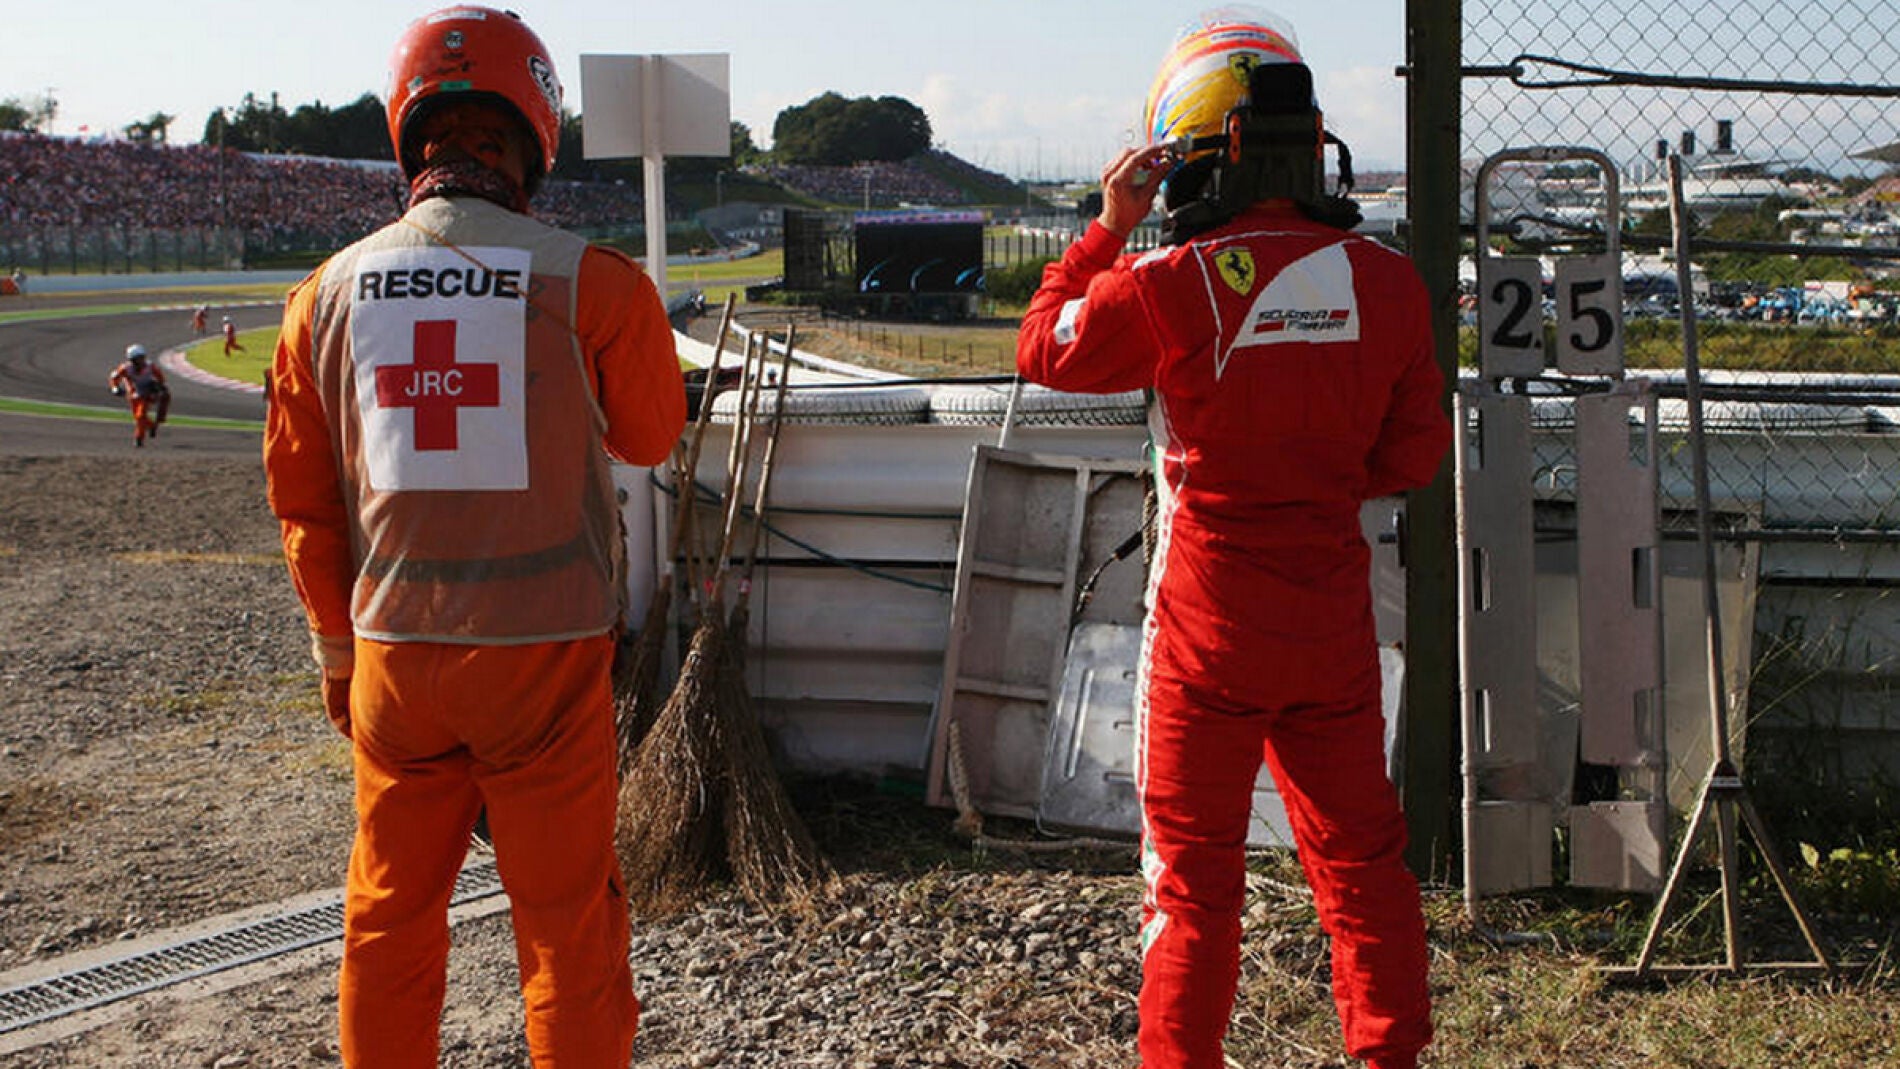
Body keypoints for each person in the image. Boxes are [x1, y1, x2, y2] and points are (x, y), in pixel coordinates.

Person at [1015, 8, 1450, 1069]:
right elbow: (1412, 458)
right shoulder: (1390, 285)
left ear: (1192, 152)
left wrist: (1105, 226)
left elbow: (1042, 347)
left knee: (1192, 889)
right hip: (1331, 633)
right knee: (1364, 872)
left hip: (1204, 638)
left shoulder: (1172, 286)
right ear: (1308, 144)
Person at [262, 7, 686, 1066]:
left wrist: (336, 657)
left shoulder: (320, 296)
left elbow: (303, 506)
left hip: (394, 661)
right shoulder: (596, 283)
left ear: (413, 134)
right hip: (544, 659)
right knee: (566, 929)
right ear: (534, 128)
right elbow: (650, 433)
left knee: (388, 921)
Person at [107, 343, 170, 447]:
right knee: (138, 417)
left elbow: (161, 378)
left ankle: (139, 438)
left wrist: (159, 386)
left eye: (142, 358)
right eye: (138, 359)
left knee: (140, 416)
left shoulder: (150, 367)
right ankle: (151, 426)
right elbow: (114, 378)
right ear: (132, 360)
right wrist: (115, 388)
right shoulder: (125, 368)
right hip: (133, 394)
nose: (141, 361)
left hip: (147, 393)